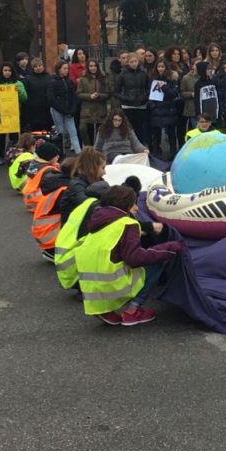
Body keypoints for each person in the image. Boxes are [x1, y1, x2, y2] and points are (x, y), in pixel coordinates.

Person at [76, 184, 184, 326]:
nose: (137, 208)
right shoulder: (127, 224)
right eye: (133, 203)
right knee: (156, 262)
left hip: (92, 289)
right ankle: (133, 310)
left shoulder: (99, 221)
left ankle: (104, 310)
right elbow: (135, 259)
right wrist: (169, 248)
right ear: (125, 205)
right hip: (113, 285)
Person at [47, 61, 81, 155]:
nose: (66, 70)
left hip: (69, 111)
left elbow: (74, 96)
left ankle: (79, 153)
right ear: (59, 69)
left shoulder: (69, 81)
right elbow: (51, 99)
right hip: (58, 110)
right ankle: (60, 153)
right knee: (61, 132)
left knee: (73, 131)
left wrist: (73, 109)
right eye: (64, 68)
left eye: (67, 68)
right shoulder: (52, 82)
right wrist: (64, 110)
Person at [77, 60, 111, 146]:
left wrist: (99, 95)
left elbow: (108, 94)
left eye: (95, 66)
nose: (93, 68)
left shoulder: (103, 78)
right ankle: (89, 149)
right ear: (88, 67)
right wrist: (89, 96)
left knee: (100, 133)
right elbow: (78, 94)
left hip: (100, 110)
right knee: (83, 129)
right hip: (87, 110)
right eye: (91, 66)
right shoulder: (83, 79)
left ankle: (98, 150)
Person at [21, 58, 54, 132]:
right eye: (35, 66)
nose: (38, 68)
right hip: (33, 111)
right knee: (35, 132)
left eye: (40, 65)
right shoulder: (28, 79)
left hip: (46, 110)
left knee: (47, 132)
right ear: (32, 68)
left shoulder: (49, 77)